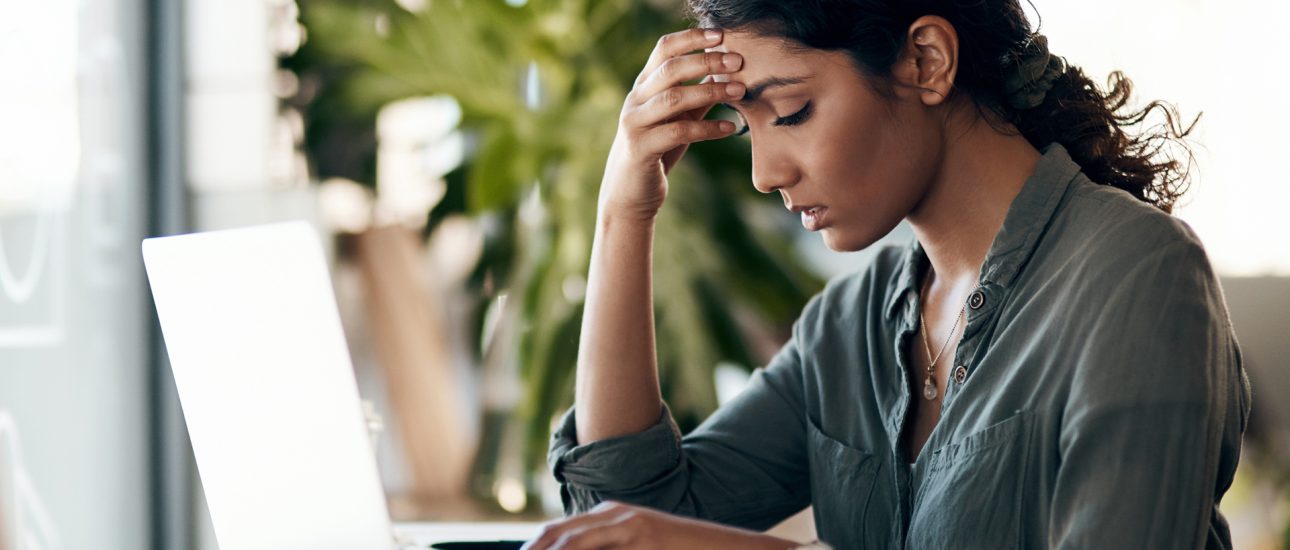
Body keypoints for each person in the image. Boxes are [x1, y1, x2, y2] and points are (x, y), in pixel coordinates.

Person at [521, 1, 1251, 548]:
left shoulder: (1138, 275)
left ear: (926, 61)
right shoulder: (848, 328)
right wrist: (624, 212)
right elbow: (626, 519)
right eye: (749, 125)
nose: (765, 172)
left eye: (792, 112)